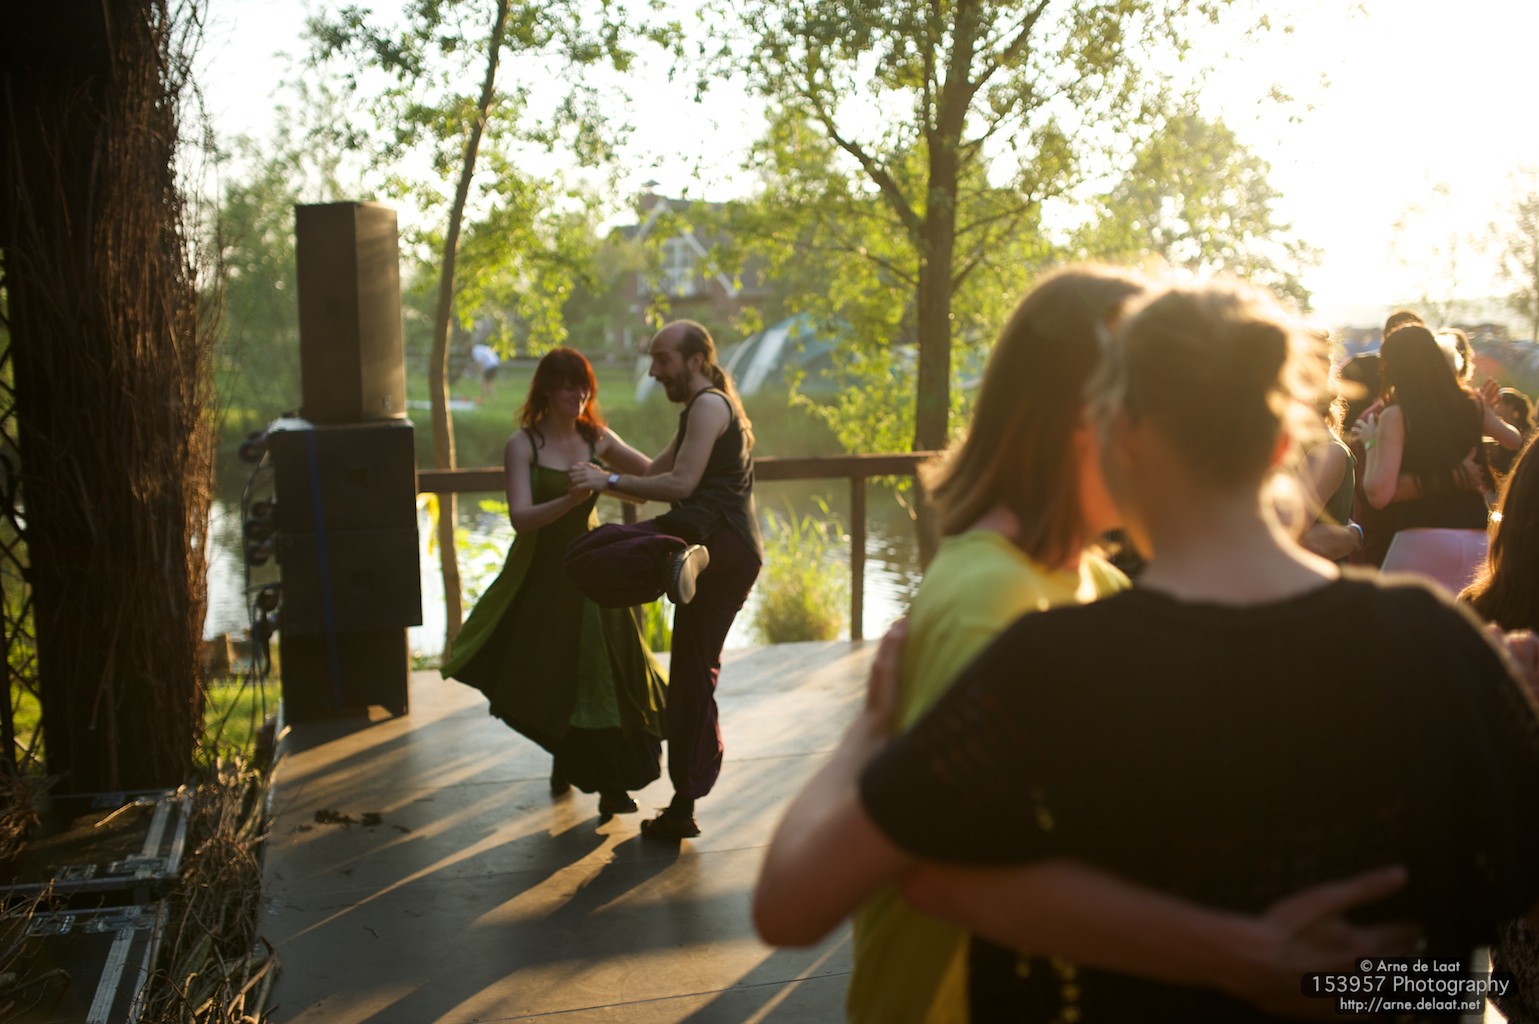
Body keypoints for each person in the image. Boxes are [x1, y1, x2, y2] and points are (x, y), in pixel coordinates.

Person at [754, 279, 1539, 1022]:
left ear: (1117, 438)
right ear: (1281, 444)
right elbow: (1489, 958)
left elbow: (795, 901)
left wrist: (868, 735)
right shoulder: (1433, 642)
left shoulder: (1049, 666)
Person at [846, 266, 1140, 1023]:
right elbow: (942, 872)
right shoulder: (994, 604)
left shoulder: (1096, 583)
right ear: (1075, 416)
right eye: (1144, 400)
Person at [440, 347, 665, 819]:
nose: (578, 394)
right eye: (567, 386)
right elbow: (521, 519)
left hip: (594, 567)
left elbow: (652, 476)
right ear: (546, 389)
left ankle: (610, 785)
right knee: (550, 674)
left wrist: (607, 478)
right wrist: (571, 499)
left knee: (607, 673)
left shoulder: (596, 437)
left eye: (584, 386)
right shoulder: (523, 444)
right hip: (542, 572)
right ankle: (566, 757)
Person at [566, 320, 762, 841]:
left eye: (663, 359)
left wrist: (605, 479)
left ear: (696, 360)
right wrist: (607, 448)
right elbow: (652, 473)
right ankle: (682, 807)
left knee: (588, 552)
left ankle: (671, 560)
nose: (653, 371)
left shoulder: (709, 405)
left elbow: (680, 484)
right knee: (694, 676)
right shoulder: (705, 407)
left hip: (714, 538)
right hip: (726, 547)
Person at [1352, 323, 1521, 594]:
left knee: (1390, 618)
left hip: (1421, 538)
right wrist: (1483, 414)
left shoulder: (1396, 415)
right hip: (1477, 538)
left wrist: (1372, 443)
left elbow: (1378, 493)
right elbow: (1513, 440)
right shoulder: (1472, 404)